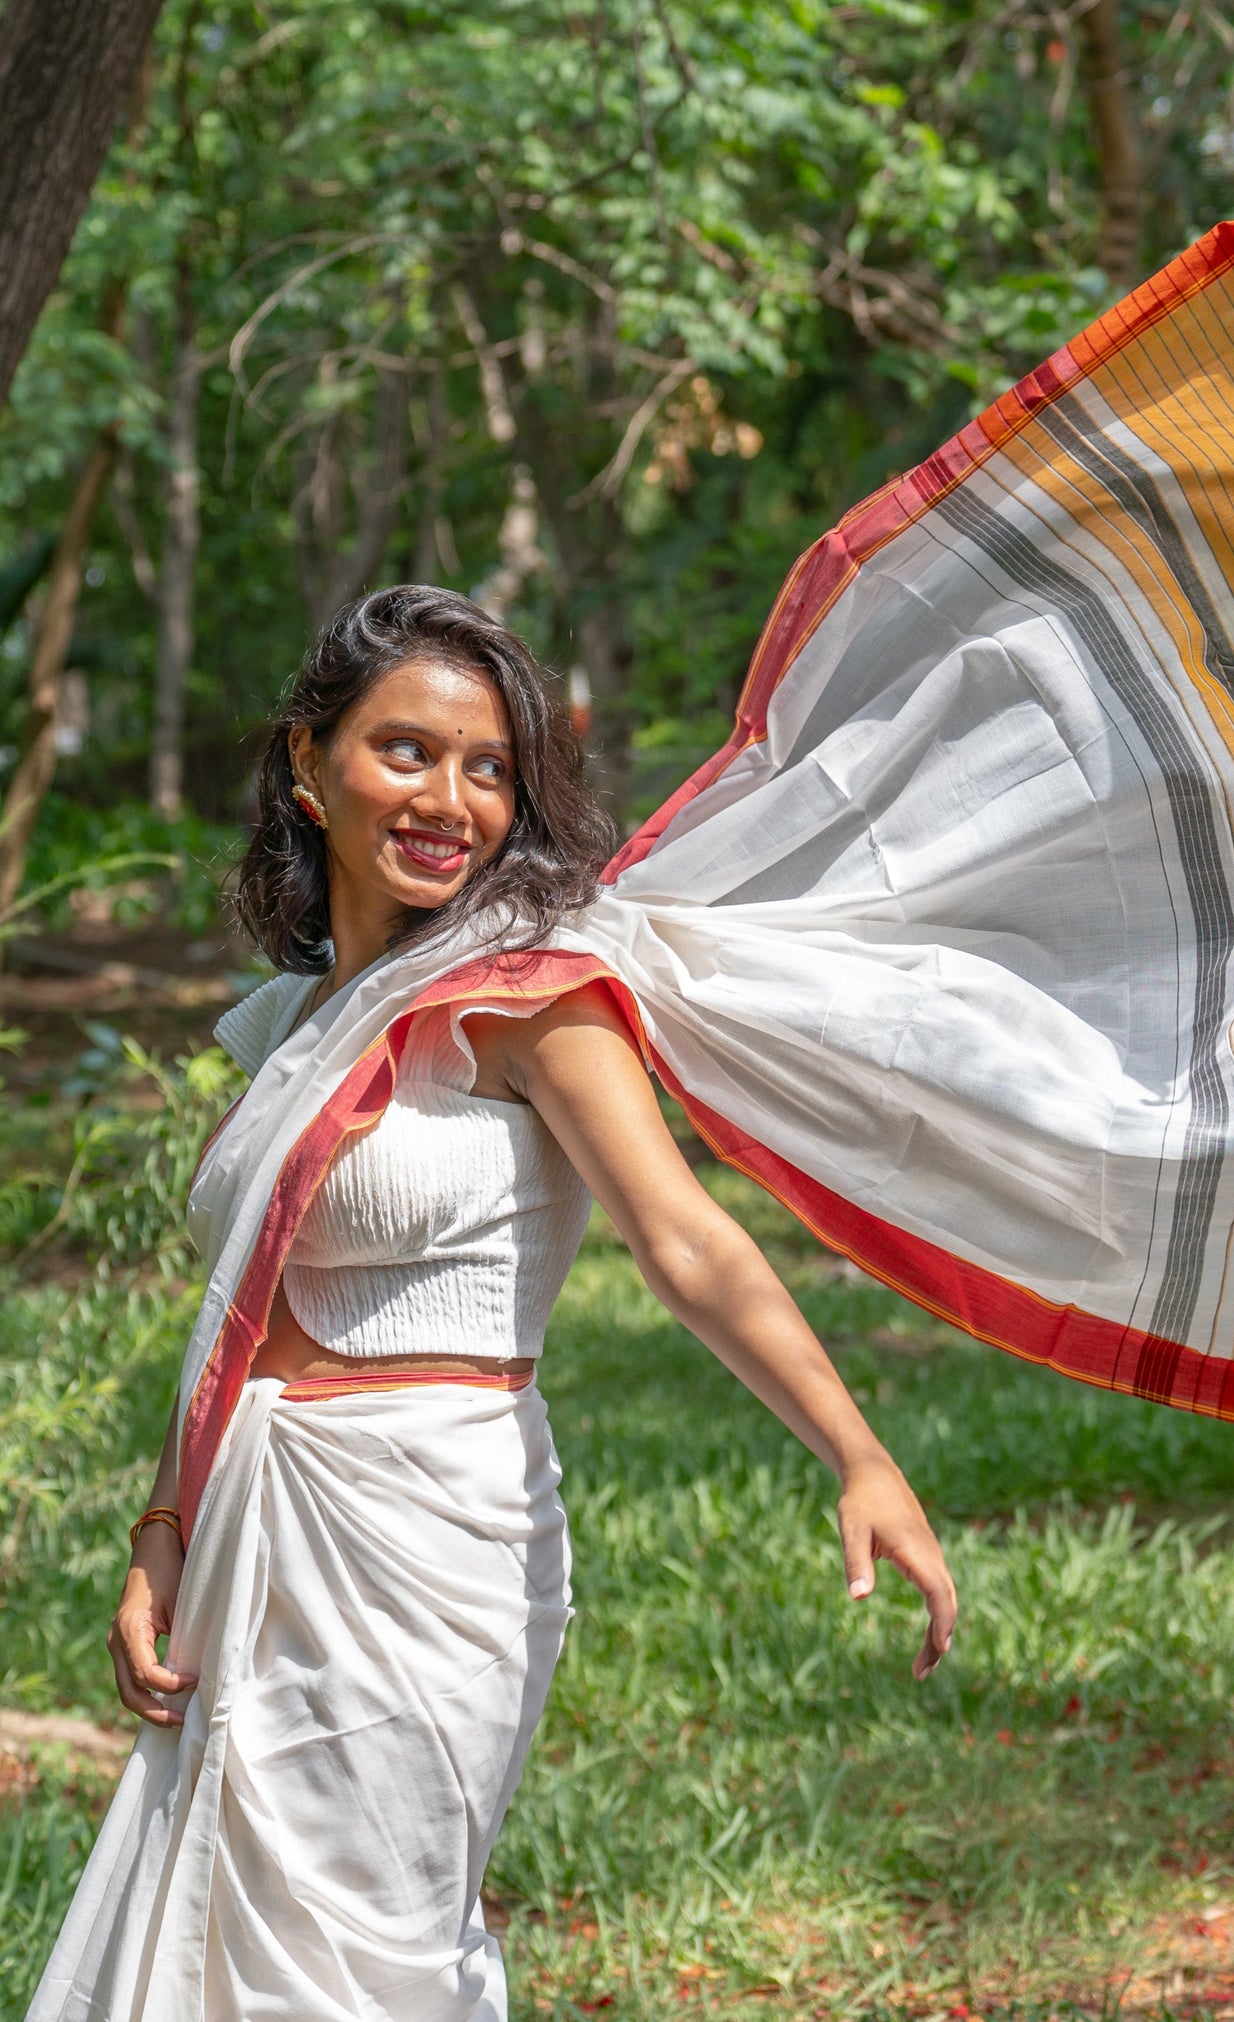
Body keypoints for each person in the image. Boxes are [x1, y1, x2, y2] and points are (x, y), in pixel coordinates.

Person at [28, 586, 957, 2022]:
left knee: (372, 1955)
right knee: (212, 1937)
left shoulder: (533, 995)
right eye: (404, 750)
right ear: (305, 759)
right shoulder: (290, 1018)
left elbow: (685, 1240)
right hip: (252, 1530)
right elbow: (241, 1312)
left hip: (429, 1540)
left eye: (488, 767)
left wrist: (859, 1451)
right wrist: (159, 1532)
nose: (448, 797)